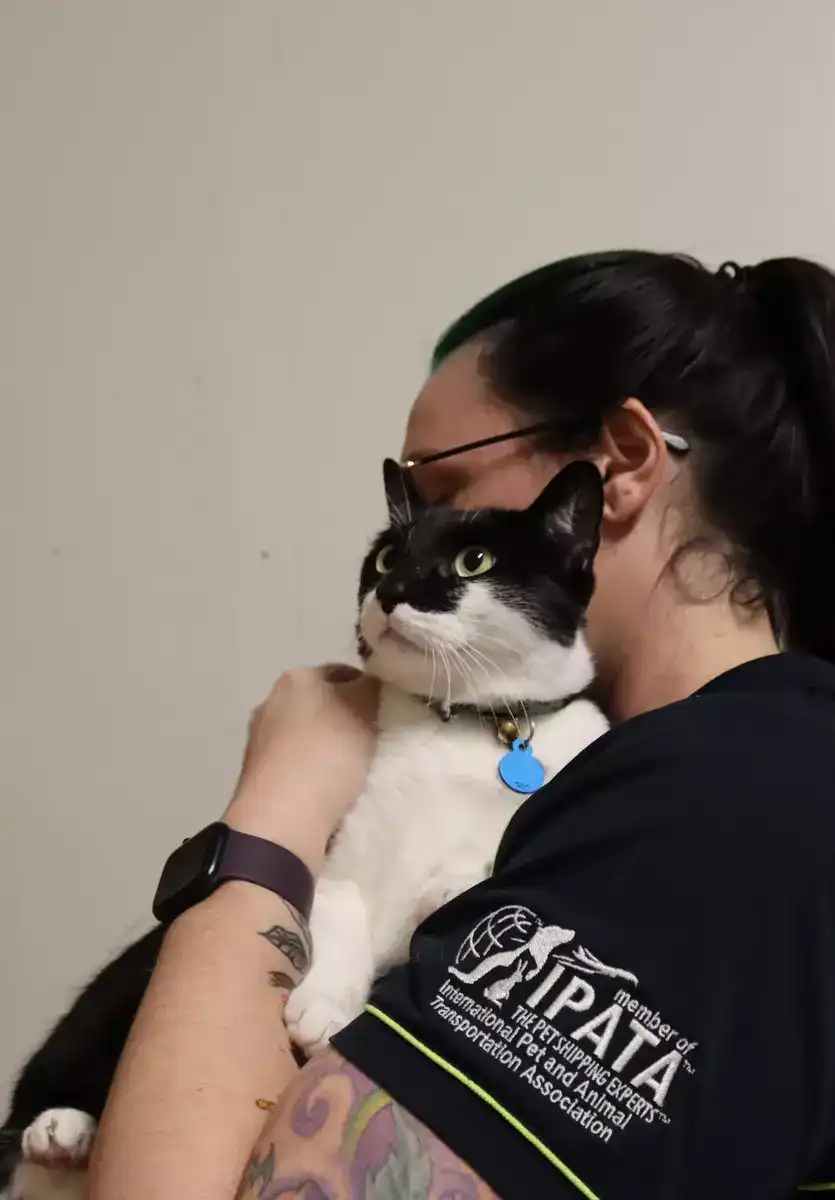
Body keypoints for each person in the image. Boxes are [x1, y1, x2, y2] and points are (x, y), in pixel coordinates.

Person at [87, 251, 835, 1200]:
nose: (415, 547)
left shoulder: (722, 800)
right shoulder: (692, 775)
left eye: (442, 492)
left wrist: (273, 814)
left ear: (619, 463)